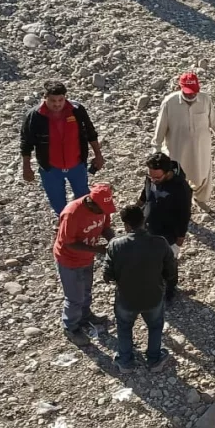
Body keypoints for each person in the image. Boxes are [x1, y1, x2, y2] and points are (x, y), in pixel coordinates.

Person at [103, 205, 176, 373]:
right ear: (144, 221)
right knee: (155, 326)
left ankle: (125, 362)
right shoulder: (160, 243)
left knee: (124, 327)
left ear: (126, 225)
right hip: (153, 296)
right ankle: (154, 359)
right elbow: (171, 271)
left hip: (126, 299)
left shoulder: (115, 245)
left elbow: (108, 275)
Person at [21, 81, 105, 217]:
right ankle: (64, 223)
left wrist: (98, 155)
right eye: (53, 100)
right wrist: (26, 167)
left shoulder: (77, 110)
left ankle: (83, 223)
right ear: (45, 97)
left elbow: (90, 132)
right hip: (50, 168)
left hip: (77, 165)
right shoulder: (35, 116)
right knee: (57, 201)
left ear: (65, 97)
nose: (57, 104)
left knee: (83, 197)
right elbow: (26, 142)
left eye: (60, 100)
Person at [54, 183, 117, 346]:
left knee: (87, 289)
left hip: (87, 258)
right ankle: (70, 327)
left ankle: (84, 314)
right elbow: (68, 243)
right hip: (69, 260)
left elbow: (105, 227)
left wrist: (115, 242)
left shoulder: (102, 208)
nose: (104, 212)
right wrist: (97, 249)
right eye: (101, 209)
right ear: (90, 202)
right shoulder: (72, 213)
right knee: (74, 296)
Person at [153, 72, 215, 206]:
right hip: (177, 149)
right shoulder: (170, 102)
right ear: (180, 88)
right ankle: (179, 203)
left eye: (194, 92)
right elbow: (161, 126)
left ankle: (200, 199)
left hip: (201, 148)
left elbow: (213, 120)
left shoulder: (205, 100)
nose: (191, 95)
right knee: (177, 176)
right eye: (188, 92)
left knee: (202, 175)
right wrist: (156, 148)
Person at [138, 152, 193, 259]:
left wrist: (180, 237)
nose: (153, 180)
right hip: (147, 231)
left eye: (157, 178)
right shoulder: (152, 177)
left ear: (168, 173)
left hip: (167, 238)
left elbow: (184, 214)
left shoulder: (181, 189)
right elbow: (145, 192)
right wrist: (137, 207)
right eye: (151, 176)